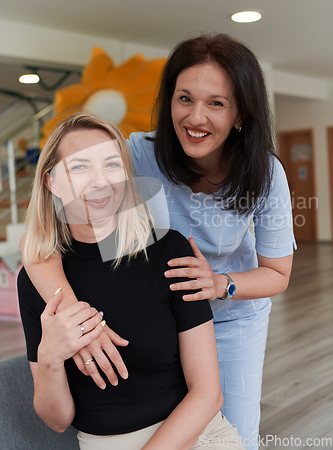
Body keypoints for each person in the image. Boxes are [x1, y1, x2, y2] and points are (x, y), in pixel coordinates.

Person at [20, 34, 295, 450]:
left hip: (232, 314)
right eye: (185, 98)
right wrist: (77, 315)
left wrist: (220, 284)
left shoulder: (266, 175)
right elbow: (41, 243)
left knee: (233, 427)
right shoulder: (136, 154)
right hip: (157, 314)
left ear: (241, 114)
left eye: (217, 103)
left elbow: (277, 272)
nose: (196, 117)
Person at [17, 112, 246, 450]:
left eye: (112, 165)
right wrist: (50, 357)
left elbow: (208, 394)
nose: (100, 182)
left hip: (198, 433)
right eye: (80, 167)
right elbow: (57, 420)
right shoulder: (36, 282)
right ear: (52, 182)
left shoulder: (169, 251)